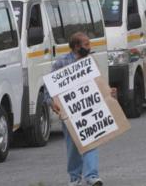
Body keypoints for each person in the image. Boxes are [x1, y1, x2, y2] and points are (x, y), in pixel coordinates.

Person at [45, 32, 107, 186]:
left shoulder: (90, 62)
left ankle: (92, 176)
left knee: (91, 141)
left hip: (89, 110)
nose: (89, 47)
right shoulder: (61, 63)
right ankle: (75, 178)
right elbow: (49, 89)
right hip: (70, 113)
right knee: (73, 146)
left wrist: (107, 92)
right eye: (86, 44)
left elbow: (98, 84)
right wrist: (52, 104)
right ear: (76, 46)